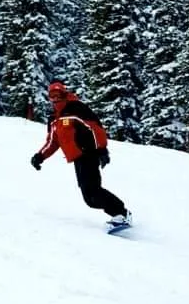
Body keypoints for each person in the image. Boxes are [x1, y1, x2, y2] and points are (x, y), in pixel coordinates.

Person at [30, 80, 132, 227]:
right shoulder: (54, 119)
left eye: (58, 94)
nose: (55, 98)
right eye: (52, 95)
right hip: (77, 158)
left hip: (89, 154)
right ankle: (120, 214)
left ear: (64, 93)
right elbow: (53, 142)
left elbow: (96, 128)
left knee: (93, 190)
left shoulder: (76, 108)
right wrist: (40, 156)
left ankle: (121, 214)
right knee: (89, 199)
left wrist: (102, 150)